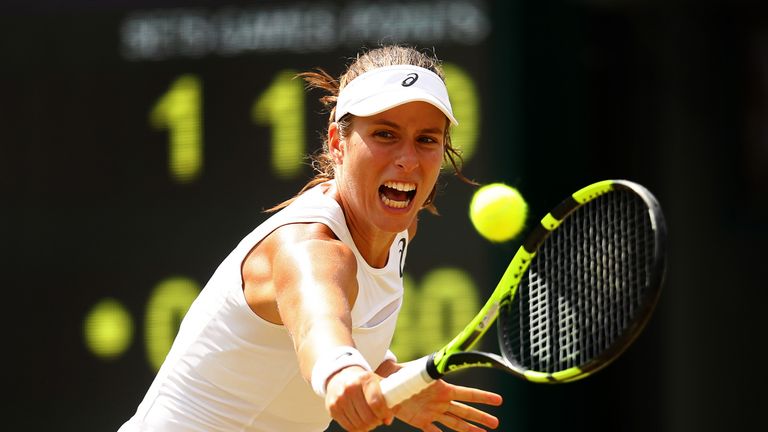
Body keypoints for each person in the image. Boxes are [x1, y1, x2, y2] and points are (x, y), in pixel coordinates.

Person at [119, 45, 503, 432]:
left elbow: (342, 330)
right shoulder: (307, 248)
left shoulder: (398, 227)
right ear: (337, 143)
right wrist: (342, 373)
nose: (408, 158)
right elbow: (318, 324)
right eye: (385, 134)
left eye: (426, 139)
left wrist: (388, 378)